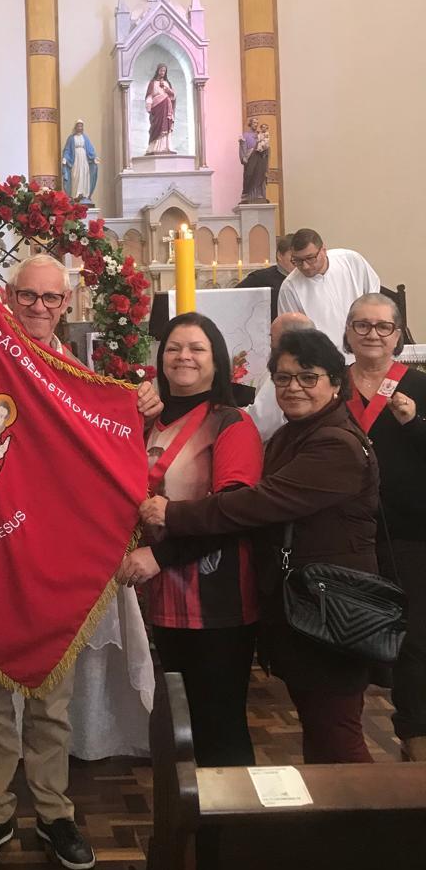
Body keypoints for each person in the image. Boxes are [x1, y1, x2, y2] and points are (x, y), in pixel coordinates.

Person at [0, 253, 160, 870]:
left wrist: (139, 410)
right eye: (28, 296)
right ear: (8, 296)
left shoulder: (85, 383)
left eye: (51, 298)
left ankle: (52, 810)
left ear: (67, 306)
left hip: (59, 567)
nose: (39, 307)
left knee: (51, 698)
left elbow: (107, 468)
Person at [139, 329, 380, 764]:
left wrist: (171, 514)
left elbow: (256, 504)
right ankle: (328, 824)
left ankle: (368, 829)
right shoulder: (296, 434)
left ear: (335, 383)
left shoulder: (335, 444)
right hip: (303, 606)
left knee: (337, 737)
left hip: (334, 612)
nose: (293, 388)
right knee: (319, 733)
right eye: (283, 379)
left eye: (307, 378)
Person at [115, 314, 263, 766]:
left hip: (217, 601)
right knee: (182, 724)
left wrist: (161, 554)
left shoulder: (231, 423)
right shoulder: (147, 425)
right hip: (162, 598)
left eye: (197, 348)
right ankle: (191, 825)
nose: (184, 357)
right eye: (175, 347)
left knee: (220, 726)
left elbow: (234, 512)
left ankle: (232, 833)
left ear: (217, 361)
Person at [344, 293, 426, 762]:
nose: (372, 334)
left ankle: (415, 735)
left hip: (411, 533)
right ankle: (345, 738)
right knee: (348, 636)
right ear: (348, 331)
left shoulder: (418, 385)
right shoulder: (332, 385)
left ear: (398, 334)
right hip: (347, 534)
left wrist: (415, 425)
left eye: (383, 327)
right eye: (362, 325)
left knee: (416, 640)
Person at [277, 228, 380, 342]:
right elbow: (291, 333)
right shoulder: (289, 287)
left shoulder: (350, 261)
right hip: (321, 354)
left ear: (323, 250)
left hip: (363, 342)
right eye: (297, 260)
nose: (305, 266)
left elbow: (373, 294)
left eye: (310, 258)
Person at [248, 311, 314, 443]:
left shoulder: (285, 372)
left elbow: (261, 423)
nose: (271, 345)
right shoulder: (316, 364)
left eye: (272, 338)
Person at [237, 234, 294, 320]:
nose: (298, 261)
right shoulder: (259, 278)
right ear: (279, 255)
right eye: (293, 256)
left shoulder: (306, 278)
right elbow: (234, 297)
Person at [61, 120, 99, 202]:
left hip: (84, 158)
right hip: (75, 159)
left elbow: (90, 149)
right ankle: (75, 195)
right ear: (75, 127)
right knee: (76, 175)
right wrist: (65, 158)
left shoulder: (85, 137)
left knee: (84, 174)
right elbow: (67, 150)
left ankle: (84, 194)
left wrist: (94, 158)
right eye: (78, 126)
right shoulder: (71, 138)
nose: (80, 128)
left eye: (81, 126)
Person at [145, 64, 176, 154]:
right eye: (161, 70)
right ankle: (154, 147)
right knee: (156, 125)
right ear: (158, 71)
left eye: (164, 71)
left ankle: (167, 146)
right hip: (157, 107)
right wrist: (149, 105)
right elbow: (149, 95)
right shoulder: (153, 82)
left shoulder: (167, 83)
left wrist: (167, 89)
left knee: (166, 125)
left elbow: (173, 96)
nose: (162, 72)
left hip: (167, 107)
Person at [238, 120, 269, 205]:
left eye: (257, 123)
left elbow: (266, 145)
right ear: (250, 124)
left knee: (260, 174)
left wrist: (265, 150)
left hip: (260, 157)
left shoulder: (261, 134)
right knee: (249, 174)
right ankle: (247, 195)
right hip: (250, 157)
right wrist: (243, 157)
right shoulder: (246, 135)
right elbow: (242, 146)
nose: (256, 124)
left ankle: (259, 195)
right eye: (254, 123)